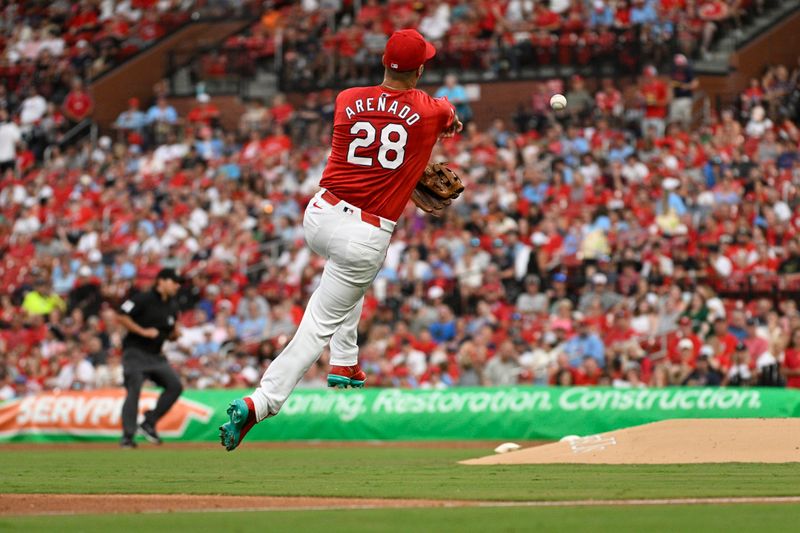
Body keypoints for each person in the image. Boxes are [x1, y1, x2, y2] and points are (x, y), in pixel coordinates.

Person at [220, 29, 462, 451]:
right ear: (420, 69)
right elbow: (448, 117)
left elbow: (389, 119)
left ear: (385, 63)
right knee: (319, 321)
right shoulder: (430, 110)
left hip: (319, 214)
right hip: (365, 231)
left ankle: (345, 362)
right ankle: (260, 403)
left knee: (351, 280)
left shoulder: (347, 98)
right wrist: (445, 127)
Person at [116, 268, 184, 448]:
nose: (177, 285)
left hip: (155, 355)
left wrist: (175, 335)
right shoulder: (143, 298)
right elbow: (121, 315)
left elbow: (170, 334)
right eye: (174, 281)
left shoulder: (172, 305)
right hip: (135, 352)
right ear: (161, 281)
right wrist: (142, 331)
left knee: (175, 386)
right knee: (134, 389)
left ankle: (149, 422)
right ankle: (127, 437)